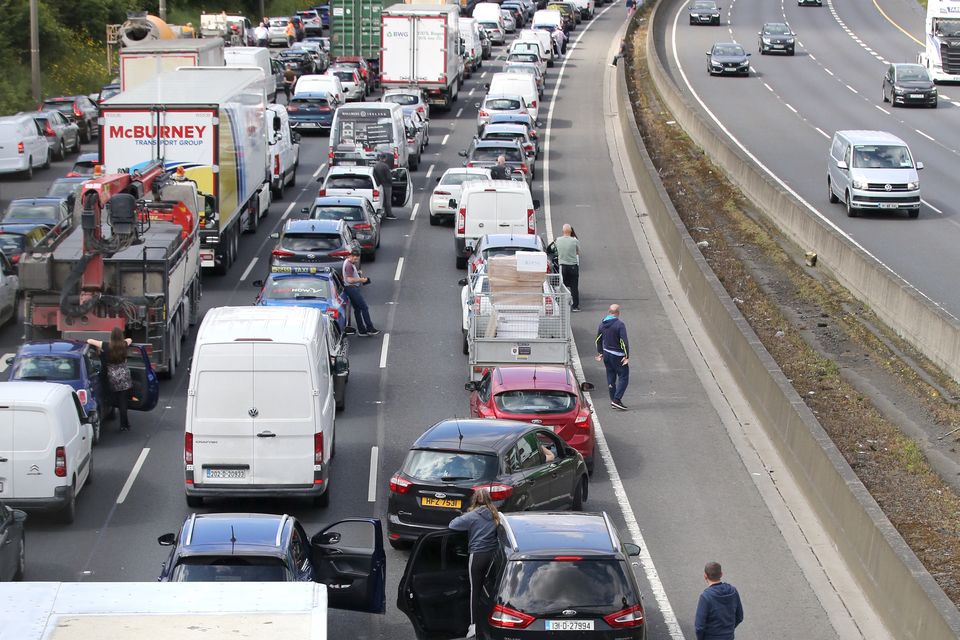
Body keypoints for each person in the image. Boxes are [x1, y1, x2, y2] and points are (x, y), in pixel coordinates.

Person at [448, 489, 501, 639]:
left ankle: (473, 626)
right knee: (489, 589)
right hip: (493, 556)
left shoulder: (471, 516)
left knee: (475, 590)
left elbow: (452, 525)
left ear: (475, 501)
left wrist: (464, 515)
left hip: (477, 556)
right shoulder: (495, 514)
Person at [87, 328, 133, 431]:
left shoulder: (106, 345)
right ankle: (124, 425)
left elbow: (89, 340)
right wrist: (124, 341)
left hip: (112, 376)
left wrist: (98, 346)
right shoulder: (124, 345)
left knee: (113, 396)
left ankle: (108, 410)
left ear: (111, 337)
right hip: (124, 375)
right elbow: (130, 340)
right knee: (123, 401)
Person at [694, 562, 743, 640]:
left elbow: (699, 626)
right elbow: (740, 617)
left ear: (705, 576)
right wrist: (728, 631)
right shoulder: (733, 591)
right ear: (721, 574)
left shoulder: (706, 597)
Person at [595, 304, 629, 410]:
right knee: (623, 377)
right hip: (617, 356)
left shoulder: (602, 324)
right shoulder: (620, 324)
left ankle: (613, 399)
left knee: (611, 377)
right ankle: (616, 400)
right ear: (618, 312)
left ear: (609, 311)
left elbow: (598, 340)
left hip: (606, 354)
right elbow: (623, 342)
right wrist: (627, 356)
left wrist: (600, 352)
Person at [342, 248, 380, 336]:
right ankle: (370, 328)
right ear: (350, 256)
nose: (356, 260)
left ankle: (362, 330)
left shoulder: (348, 262)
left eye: (357, 259)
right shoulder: (349, 266)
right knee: (364, 307)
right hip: (352, 289)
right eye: (354, 258)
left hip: (350, 288)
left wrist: (357, 273)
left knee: (358, 309)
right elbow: (350, 280)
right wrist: (362, 280)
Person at [554, 223, 580, 311]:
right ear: (571, 231)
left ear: (562, 231)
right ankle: (575, 306)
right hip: (573, 266)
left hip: (562, 266)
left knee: (562, 286)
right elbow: (577, 252)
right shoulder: (574, 241)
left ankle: (560, 305)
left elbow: (555, 250)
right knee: (574, 287)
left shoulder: (558, 240)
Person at [372, 154, 396, 219]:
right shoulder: (385, 166)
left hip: (379, 185)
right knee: (388, 200)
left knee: (382, 199)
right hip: (387, 185)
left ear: (380, 158)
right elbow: (389, 177)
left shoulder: (376, 166)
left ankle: (383, 213)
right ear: (385, 159)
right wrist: (391, 182)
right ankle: (389, 214)